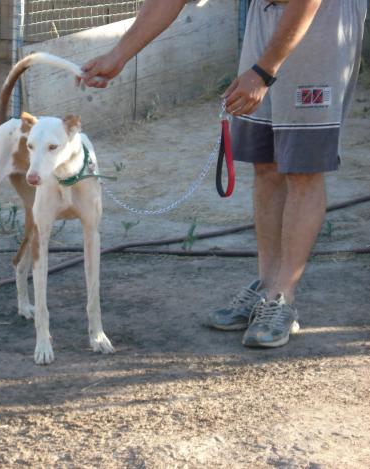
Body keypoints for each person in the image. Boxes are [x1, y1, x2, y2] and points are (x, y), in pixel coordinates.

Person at [80, 0, 367, 348]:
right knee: (266, 162)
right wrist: (119, 55)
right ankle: (265, 284)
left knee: (303, 166)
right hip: (267, 14)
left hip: (321, 16)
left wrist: (263, 72)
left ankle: (282, 297)